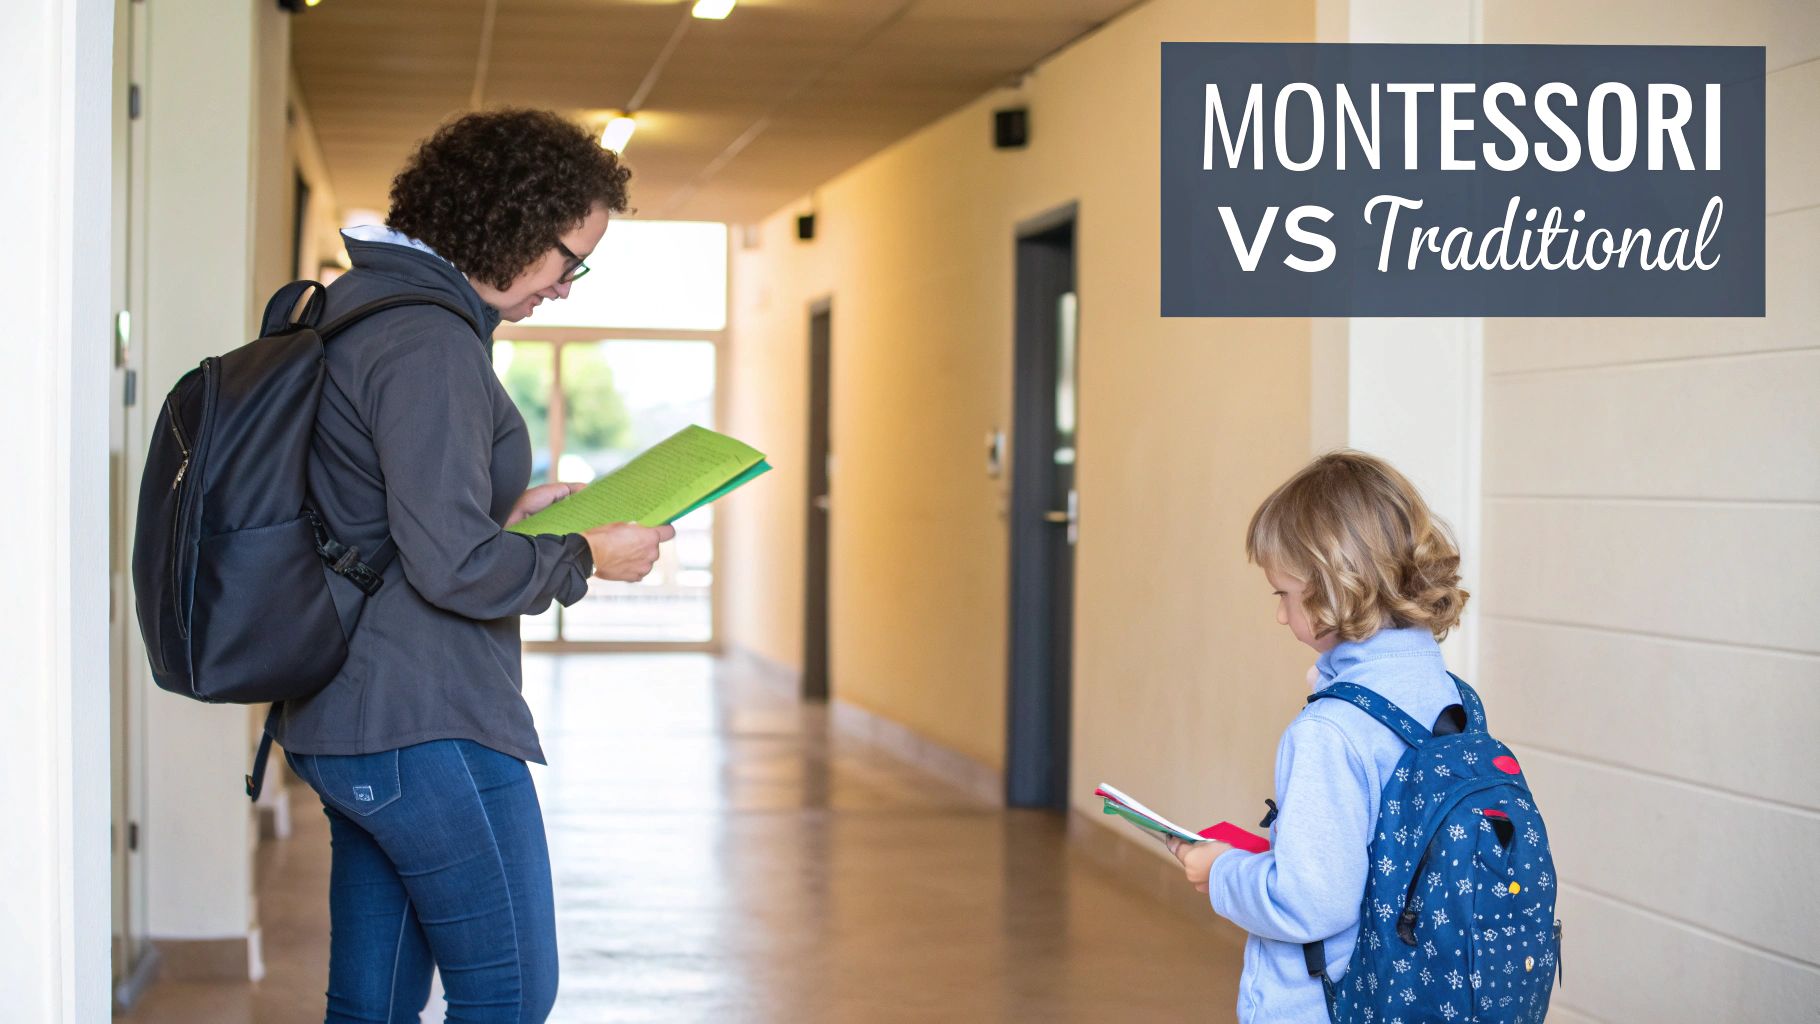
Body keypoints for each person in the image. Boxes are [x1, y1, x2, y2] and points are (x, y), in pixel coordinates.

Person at [271, 108, 667, 1023]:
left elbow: (381, 514)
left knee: (371, 1003)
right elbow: (450, 568)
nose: (568, 288)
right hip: (424, 717)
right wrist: (586, 557)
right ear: (513, 225)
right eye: (571, 259)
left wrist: (513, 515)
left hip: (348, 715)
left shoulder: (364, 307)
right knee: (510, 991)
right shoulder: (429, 343)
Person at [1166, 450, 1473, 1024]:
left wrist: (1220, 872)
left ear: (1336, 585)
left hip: (1331, 1004)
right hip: (1417, 992)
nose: (1280, 615)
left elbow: (1309, 902)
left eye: (1282, 593)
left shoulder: (1330, 732)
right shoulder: (1446, 694)